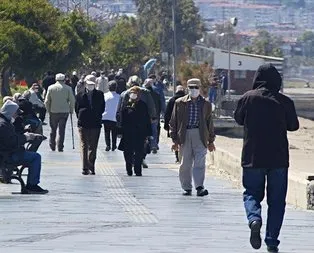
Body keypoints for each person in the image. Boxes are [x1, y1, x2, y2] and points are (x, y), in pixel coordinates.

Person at [234, 64, 299, 253]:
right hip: (278, 159)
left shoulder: (247, 98)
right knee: (277, 201)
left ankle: (254, 219)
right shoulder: (284, 101)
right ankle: (271, 241)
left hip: (252, 157)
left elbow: (238, 119)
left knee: (252, 193)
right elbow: (293, 126)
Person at [169, 78, 216, 197]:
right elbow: (173, 122)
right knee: (185, 163)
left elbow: (209, 122)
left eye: (196, 87)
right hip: (185, 135)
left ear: (199, 88)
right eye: (191, 87)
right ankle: (186, 187)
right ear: (187, 88)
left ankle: (199, 186)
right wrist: (174, 140)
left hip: (200, 134)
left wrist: (211, 140)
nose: (194, 90)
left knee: (200, 161)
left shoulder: (206, 104)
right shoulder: (180, 103)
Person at [0, 100, 48, 194]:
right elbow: (11, 142)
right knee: (35, 157)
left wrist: (25, 134)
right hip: (7, 156)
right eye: (16, 113)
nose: (17, 116)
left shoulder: (4, 122)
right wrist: (27, 137)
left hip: (5, 153)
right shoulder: (3, 125)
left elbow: (10, 138)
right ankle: (32, 185)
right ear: (11, 112)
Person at [118, 86, 152, 176]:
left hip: (140, 133)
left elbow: (147, 119)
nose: (133, 94)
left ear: (139, 95)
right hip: (127, 133)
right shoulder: (126, 105)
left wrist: (148, 133)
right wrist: (120, 131)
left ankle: (138, 170)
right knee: (127, 152)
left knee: (139, 152)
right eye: (132, 93)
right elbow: (121, 118)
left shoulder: (143, 105)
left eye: (135, 93)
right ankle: (128, 168)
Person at [75, 75, 105, 175]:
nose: (90, 85)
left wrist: (97, 115)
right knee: (84, 145)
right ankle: (85, 167)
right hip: (83, 123)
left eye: (93, 83)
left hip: (95, 123)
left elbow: (102, 108)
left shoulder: (100, 94)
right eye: (89, 83)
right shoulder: (79, 95)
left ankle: (91, 164)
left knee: (93, 145)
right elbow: (77, 108)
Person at [44, 73, 75, 152]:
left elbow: (47, 101)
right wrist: (71, 110)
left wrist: (48, 110)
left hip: (53, 111)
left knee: (53, 129)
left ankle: (52, 145)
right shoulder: (68, 88)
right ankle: (60, 146)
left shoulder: (51, 88)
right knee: (62, 130)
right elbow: (72, 100)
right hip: (64, 112)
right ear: (64, 80)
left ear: (56, 79)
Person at [164, 84, 186, 163]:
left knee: (176, 140)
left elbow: (167, 113)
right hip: (184, 124)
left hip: (174, 124)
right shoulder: (186, 100)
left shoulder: (172, 100)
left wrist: (166, 125)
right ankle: (183, 156)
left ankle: (177, 156)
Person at [143, 78, 162, 154]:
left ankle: (145, 145)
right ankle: (154, 145)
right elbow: (159, 105)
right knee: (154, 131)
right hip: (154, 116)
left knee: (145, 131)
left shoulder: (143, 95)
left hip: (145, 116)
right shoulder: (156, 94)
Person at [102, 80, 120, 151]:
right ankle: (114, 145)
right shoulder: (119, 96)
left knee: (106, 131)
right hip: (114, 117)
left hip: (106, 116)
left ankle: (108, 145)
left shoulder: (104, 95)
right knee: (114, 132)